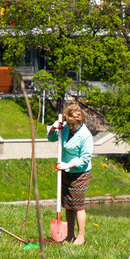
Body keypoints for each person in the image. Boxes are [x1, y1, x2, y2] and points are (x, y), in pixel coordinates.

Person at [48, 103, 93, 245]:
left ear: (80, 122)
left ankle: (81, 237)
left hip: (80, 172)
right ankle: (70, 235)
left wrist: (68, 165)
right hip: (65, 171)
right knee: (68, 204)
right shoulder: (66, 128)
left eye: (73, 124)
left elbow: (85, 158)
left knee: (78, 205)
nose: (70, 126)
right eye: (69, 123)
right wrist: (53, 129)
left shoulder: (85, 135)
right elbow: (51, 138)